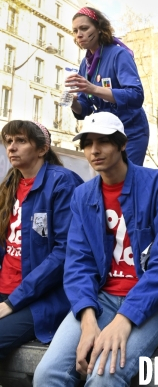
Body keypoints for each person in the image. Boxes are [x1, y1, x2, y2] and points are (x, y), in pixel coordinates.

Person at [34, 111, 158, 387]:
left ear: (122, 144)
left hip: (151, 303)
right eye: (87, 143)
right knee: (47, 374)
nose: (94, 150)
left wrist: (125, 320)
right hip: (100, 299)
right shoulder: (83, 196)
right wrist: (87, 321)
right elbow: (78, 264)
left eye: (104, 142)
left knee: (104, 376)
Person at [0, 120, 82, 357]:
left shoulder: (62, 182)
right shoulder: (9, 185)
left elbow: (64, 252)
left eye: (21, 141)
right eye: (9, 141)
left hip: (39, 297)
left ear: (42, 148)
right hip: (6, 290)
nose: (12, 147)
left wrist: (12, 302)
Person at [68, 6, 149, 165]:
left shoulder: (119, 54)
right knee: (108, 181)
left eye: (84, 28)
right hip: (104, 132)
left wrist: (94, 89)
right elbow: (85, 108)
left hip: (130, 131)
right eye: (75, 30)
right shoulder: (85, 64)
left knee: (126, 179)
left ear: (99, 28)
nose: (79, 34)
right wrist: (73, 102)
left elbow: (136, 96)